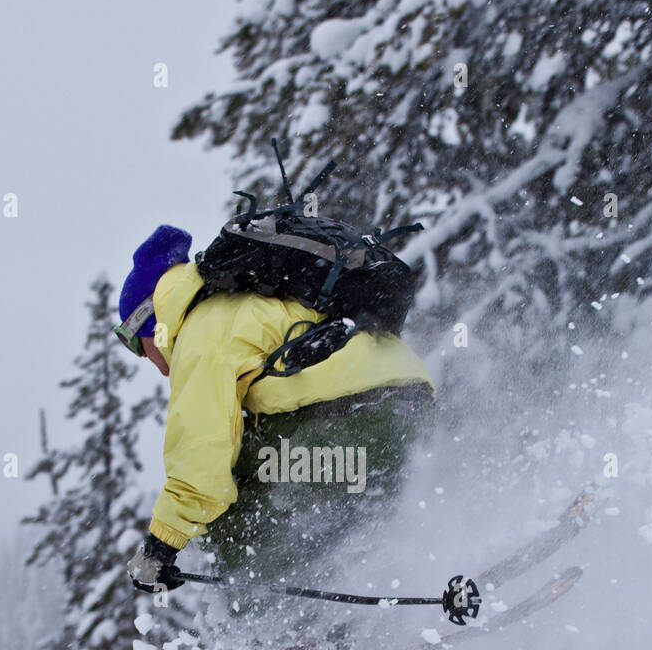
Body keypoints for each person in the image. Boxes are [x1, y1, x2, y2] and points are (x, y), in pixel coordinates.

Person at [117, 223, 434, 625]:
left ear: (148, 320)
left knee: (235, 507)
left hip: (354, 419)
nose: (146, 359)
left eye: (134, 344)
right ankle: (362, 617)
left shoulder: (202, 328)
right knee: (347, 517)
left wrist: (160, 547)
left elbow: (202, 459)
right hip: (408, 405)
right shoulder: (246, 302)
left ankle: (275, 639)